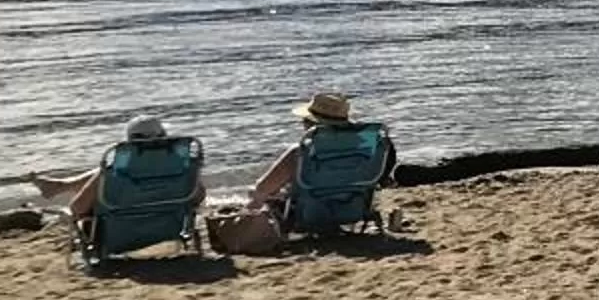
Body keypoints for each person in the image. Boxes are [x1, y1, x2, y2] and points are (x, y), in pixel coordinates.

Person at [31, 114, 203, 224]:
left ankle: (60, 186)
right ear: (164, 136)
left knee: (104, 175)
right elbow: (199, 196)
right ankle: (61, 185)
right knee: (104, 174)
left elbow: (77, 209)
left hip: (121, 229)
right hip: (169, 224)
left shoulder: (115, 174)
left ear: (130, 141)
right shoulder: (182, 167)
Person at [244, 91, 395, 216]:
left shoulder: (301, 153)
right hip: (353, 209)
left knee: (256, 193)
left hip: (308, 212)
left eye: (305, 120)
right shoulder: (367, 147)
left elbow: (262, 189)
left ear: (311, 124)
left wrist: (259, 194)